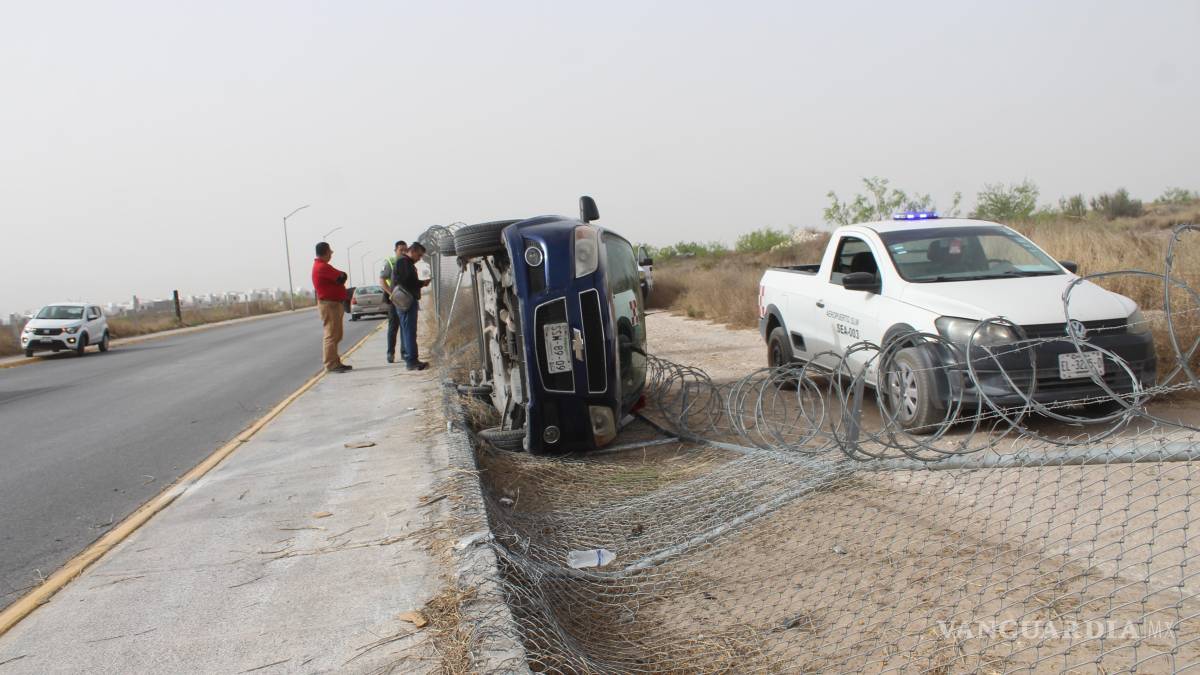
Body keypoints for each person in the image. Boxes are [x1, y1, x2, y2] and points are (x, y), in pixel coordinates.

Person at [311, 242, 353, 373]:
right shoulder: (322, 267)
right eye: (330, 251)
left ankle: (335, 362)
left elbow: (341, 277)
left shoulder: (323, 266)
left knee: (337, 334)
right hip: (329, 305)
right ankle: (330, 364)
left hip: (333, 304)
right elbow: (341, 276)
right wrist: (341, 277)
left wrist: (341, 277)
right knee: (331, 335)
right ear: (325, 252)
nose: (331, 254)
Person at [392, 241, 431, 371]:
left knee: (408, 331)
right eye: (419, 255)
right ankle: (412, 361)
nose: (419, 258)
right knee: (409, 331)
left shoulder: (405, 262)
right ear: (412, 251)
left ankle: (412, 359)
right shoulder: (404, 262)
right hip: (406, 301)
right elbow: (407, 280)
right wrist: (422, 283)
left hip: (406, 300)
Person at [379, 240, 408, 363]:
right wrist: (391, 294)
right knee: (393, 327)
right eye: (401, 250)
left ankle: (404, 352)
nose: (403, 252)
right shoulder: (390, 262)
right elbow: (382, 280)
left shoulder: (407, 262)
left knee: (404, 326)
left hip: (405, 300)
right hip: (394, 300)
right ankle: (390, 353)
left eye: (405, 250)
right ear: (395, 250)